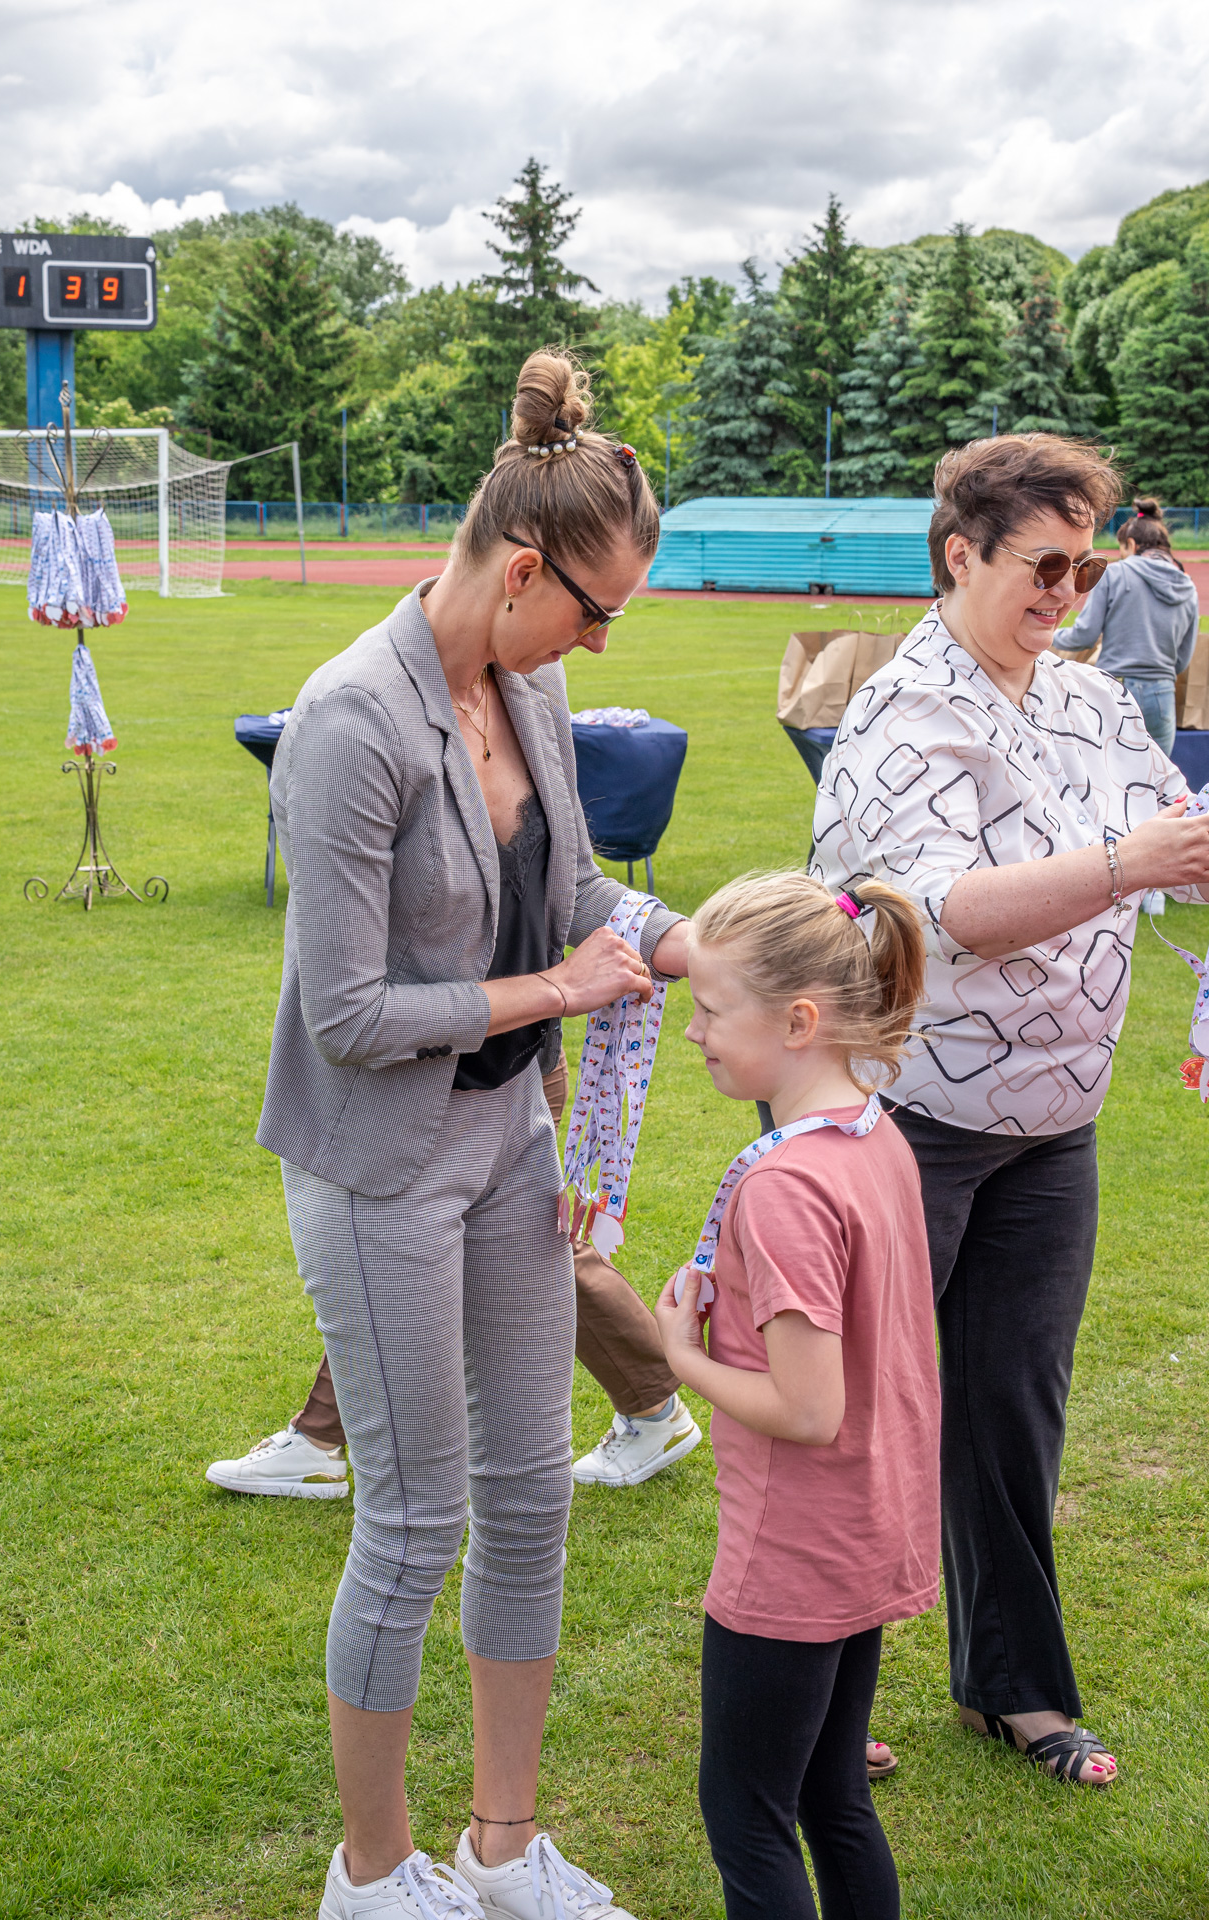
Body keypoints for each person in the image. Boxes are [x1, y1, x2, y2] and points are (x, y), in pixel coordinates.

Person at [257, 347, 698, 1920]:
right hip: (378, 1160)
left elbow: (573, 893)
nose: (600, 640)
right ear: (523, 571)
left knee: (529, 1495)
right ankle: (372, 1878)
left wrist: (687, 940)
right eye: (598, 610)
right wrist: (555, 991)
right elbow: (347, 1015)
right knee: (413, 1520)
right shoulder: (347, 721)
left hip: (508, 1142)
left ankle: (503, 1854)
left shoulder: (532, 684)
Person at [811, 433, 1209, 1790]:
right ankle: (817, 1699)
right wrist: (1122, 862)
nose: (1067, 592)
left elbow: (1172, 840)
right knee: (855, 1417)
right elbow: (933, 915)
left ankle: (1012, 1689)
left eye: (1084, 567)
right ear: (958, 555)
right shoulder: (902, 710)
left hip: (1049, 1125)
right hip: (902, 1120)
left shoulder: (1087, 701)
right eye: (1044, 565)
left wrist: (1181, 852)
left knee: (1013, 1409)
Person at [654, 872, 939, 1920]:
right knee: (830, 1793)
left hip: (794, 1551)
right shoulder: (875, 1134)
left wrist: (679, 1356)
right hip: (867, 1524)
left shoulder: (784, 1187)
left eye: (709, 1009)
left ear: (798, 1021)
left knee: (745, 1813)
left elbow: (808, 1411)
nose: (692, 1032)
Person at [207, 1044, 699, 1501]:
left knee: (509, 1248)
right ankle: (318, 1439)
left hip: (488, 1079)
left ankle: (654, 1408)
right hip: (458, 1077)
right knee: (434, 1253)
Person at [1054, 496, 1199, 755]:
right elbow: (1183, 658)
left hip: (1115, 688)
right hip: (1162, 694)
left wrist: (1051, 635)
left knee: (1109, 772)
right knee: (1157, 776)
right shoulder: (1187, 586)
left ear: (1131, 544)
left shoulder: (1115, 573)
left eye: (1122, 549)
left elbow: (1085, 635)